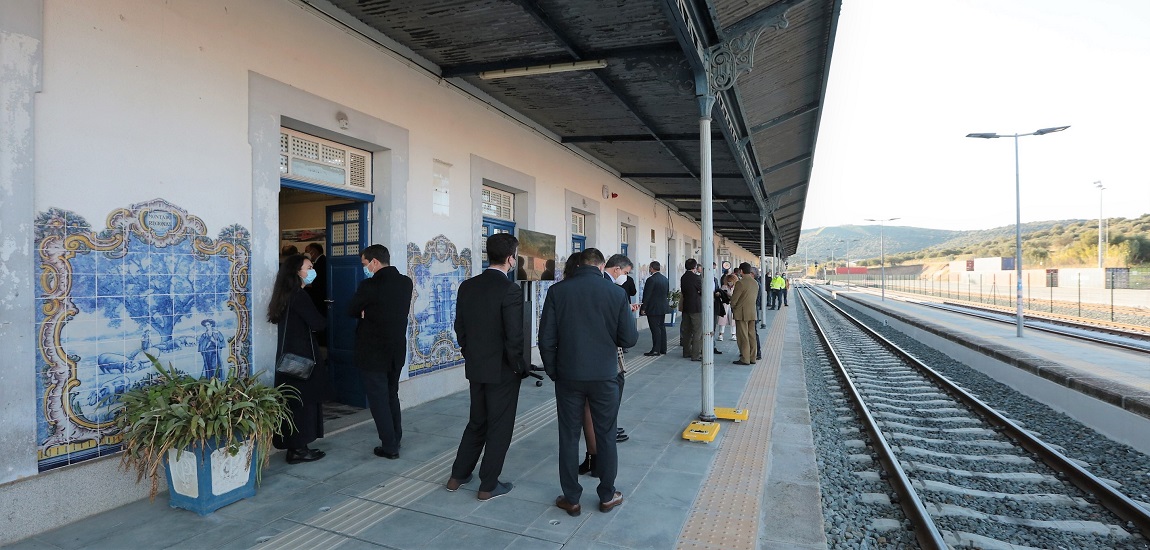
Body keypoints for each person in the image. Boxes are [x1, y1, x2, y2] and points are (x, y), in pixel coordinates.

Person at [539, 248, 637, 517]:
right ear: (602, 265)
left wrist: (554, 371)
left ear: (580, 264)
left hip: (568, 376)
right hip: (605, 376)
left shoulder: (558, 292)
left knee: (568, 437)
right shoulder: (616, 293)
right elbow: (628, 339)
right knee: (606, 435)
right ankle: (607, 495)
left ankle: (571, 498)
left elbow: (545, 339)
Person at [446, 233, 526, 501]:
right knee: (500, 426)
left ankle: (458, 476)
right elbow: (514, 336)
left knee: (477, 421)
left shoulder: (467, 286)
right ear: (510, 258)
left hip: (476, 366)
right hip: (502, 370)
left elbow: (460, 327)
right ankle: (488, 485)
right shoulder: (510, 289)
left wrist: (470, 354)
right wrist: (519, 367)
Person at [348, 244, 413, 460]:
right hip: (396, 350)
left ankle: (389, 446)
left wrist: (366, 312)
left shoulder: (369, 285)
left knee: (378, 399)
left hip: (373, 351)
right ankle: (396, 437)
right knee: (391, 394)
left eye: (365, 264)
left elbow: (351, 309)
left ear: (374, 262)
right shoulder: (405, 282)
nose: (364, 268)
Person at [267, 254, 327, 464]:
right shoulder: (299, 295)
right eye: (309, 267)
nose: (312, 271)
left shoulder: (285, 294)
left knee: (293, 403)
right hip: (302, 360)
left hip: (289, 359)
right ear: (297, 272)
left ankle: (297, 447)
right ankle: (299, 449)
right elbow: (318, 323)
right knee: (304, 404)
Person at [730, 263, 759, 365]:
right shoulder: (755, 282)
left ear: (741, 271)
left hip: (741, 313)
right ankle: (752, 358)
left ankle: (745, 358)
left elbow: (734, 299)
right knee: (752, 335)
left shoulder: (740, 283)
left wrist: (732, 306)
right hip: (752, 312)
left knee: (743, 336)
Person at [639, 261, 669, 356]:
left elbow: (647, 295)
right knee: (662, 327)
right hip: (662, 307)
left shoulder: (651, 280)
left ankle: (656, 349)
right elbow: (666, 293)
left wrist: (643, 308)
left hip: (653, 308)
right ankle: (663, 348)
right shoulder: (665, 279)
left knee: (655, 328)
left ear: (651, 268)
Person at [303, 243, 328, 346]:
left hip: (320, 297)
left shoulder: (322, 262)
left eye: (308, 251)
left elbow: (318, 283)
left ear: (314, 251)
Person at [679, 259, 703, 361]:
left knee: (687, 331)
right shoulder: (697, 278)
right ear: (695, 267)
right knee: (697, 331)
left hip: (686, 306)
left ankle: (686, 352)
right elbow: (702, 290)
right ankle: (695, 355)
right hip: (696, 307)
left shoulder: (683, 277)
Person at [716, 274, 738, 341]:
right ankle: (721, 334)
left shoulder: (736, 287)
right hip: (725, 304)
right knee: (722, 319)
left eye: (731, 281)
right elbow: (721, 294)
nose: (729, 282)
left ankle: (733, 334)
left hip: (733, 305)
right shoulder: (724, 286)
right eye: (728, 281)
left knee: (733, 320)